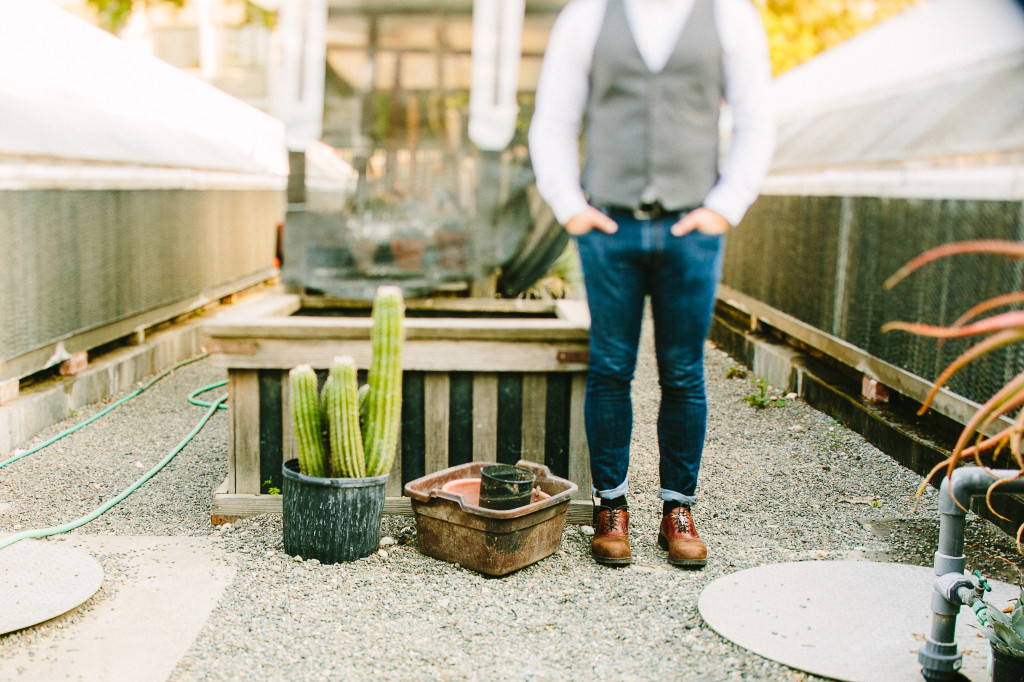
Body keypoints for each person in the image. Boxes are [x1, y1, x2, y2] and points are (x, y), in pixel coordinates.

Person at [528, 0, 775, 567]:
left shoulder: (730, 14)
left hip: (692, 228)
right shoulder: (588, 14)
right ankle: (610, 507)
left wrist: (724, 207)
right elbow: (555, 118)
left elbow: (756, 118)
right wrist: (570, 207)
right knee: (611, 367)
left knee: (683, 372)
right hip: (609, 228)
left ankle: (677, 510)